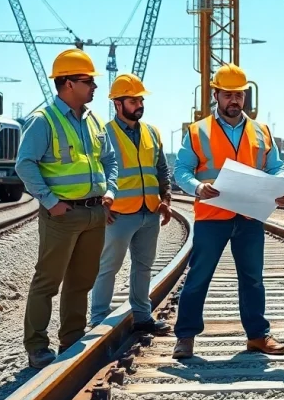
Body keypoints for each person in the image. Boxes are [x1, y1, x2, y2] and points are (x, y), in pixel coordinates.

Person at [170, 63, 284, 359]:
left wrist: (279, 184)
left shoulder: (261, 131)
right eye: (228, 95)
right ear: (215, 95)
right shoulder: (199, 131)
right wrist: (197, 188)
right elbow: (182, 170)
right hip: (212, 215)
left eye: (238, 95)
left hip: (249, 216)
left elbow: (275, 165)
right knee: (199, 275)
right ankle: (185, 336)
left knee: (252, 278)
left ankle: (257, 335)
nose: (234, 101)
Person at [15, 48, 118, 369]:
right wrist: (50, 202)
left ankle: (72, 338)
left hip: (94, 213)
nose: (94, 88)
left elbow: (109, 159)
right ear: (68, 84)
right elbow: (24, 164)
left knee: (81, 282)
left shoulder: (93, 120)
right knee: (48, 281)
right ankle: (36, 345)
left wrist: (110, 191)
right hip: (62, 215)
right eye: (88, 81)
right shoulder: (43, 120)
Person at [88, 73, 175, 334]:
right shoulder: (103, 134)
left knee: (143, 266)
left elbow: (161, 168)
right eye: (133, 100)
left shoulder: (152, 132)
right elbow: (95, 170)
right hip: (118, 214)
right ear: (117, 103)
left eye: (140, 99)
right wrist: (100, 204)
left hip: (150, 211)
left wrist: (166, 197)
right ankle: (99, 319)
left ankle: (141, 316)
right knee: (109, 267)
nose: (139, 104)